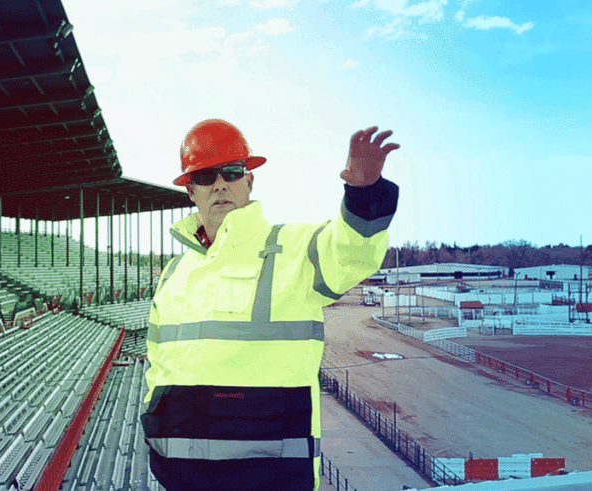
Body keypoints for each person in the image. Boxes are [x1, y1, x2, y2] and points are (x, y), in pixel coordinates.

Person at [140, 118, 400, 491]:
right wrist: (154, 424)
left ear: (249, 181)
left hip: (269, 478)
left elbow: (351, 251)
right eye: (204, 176)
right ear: (190, 191)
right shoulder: (174, 273)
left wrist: (364, 192)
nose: (219, 184)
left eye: (230, 172)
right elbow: (156, 364)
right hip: (179, 478)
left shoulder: (293, 249)